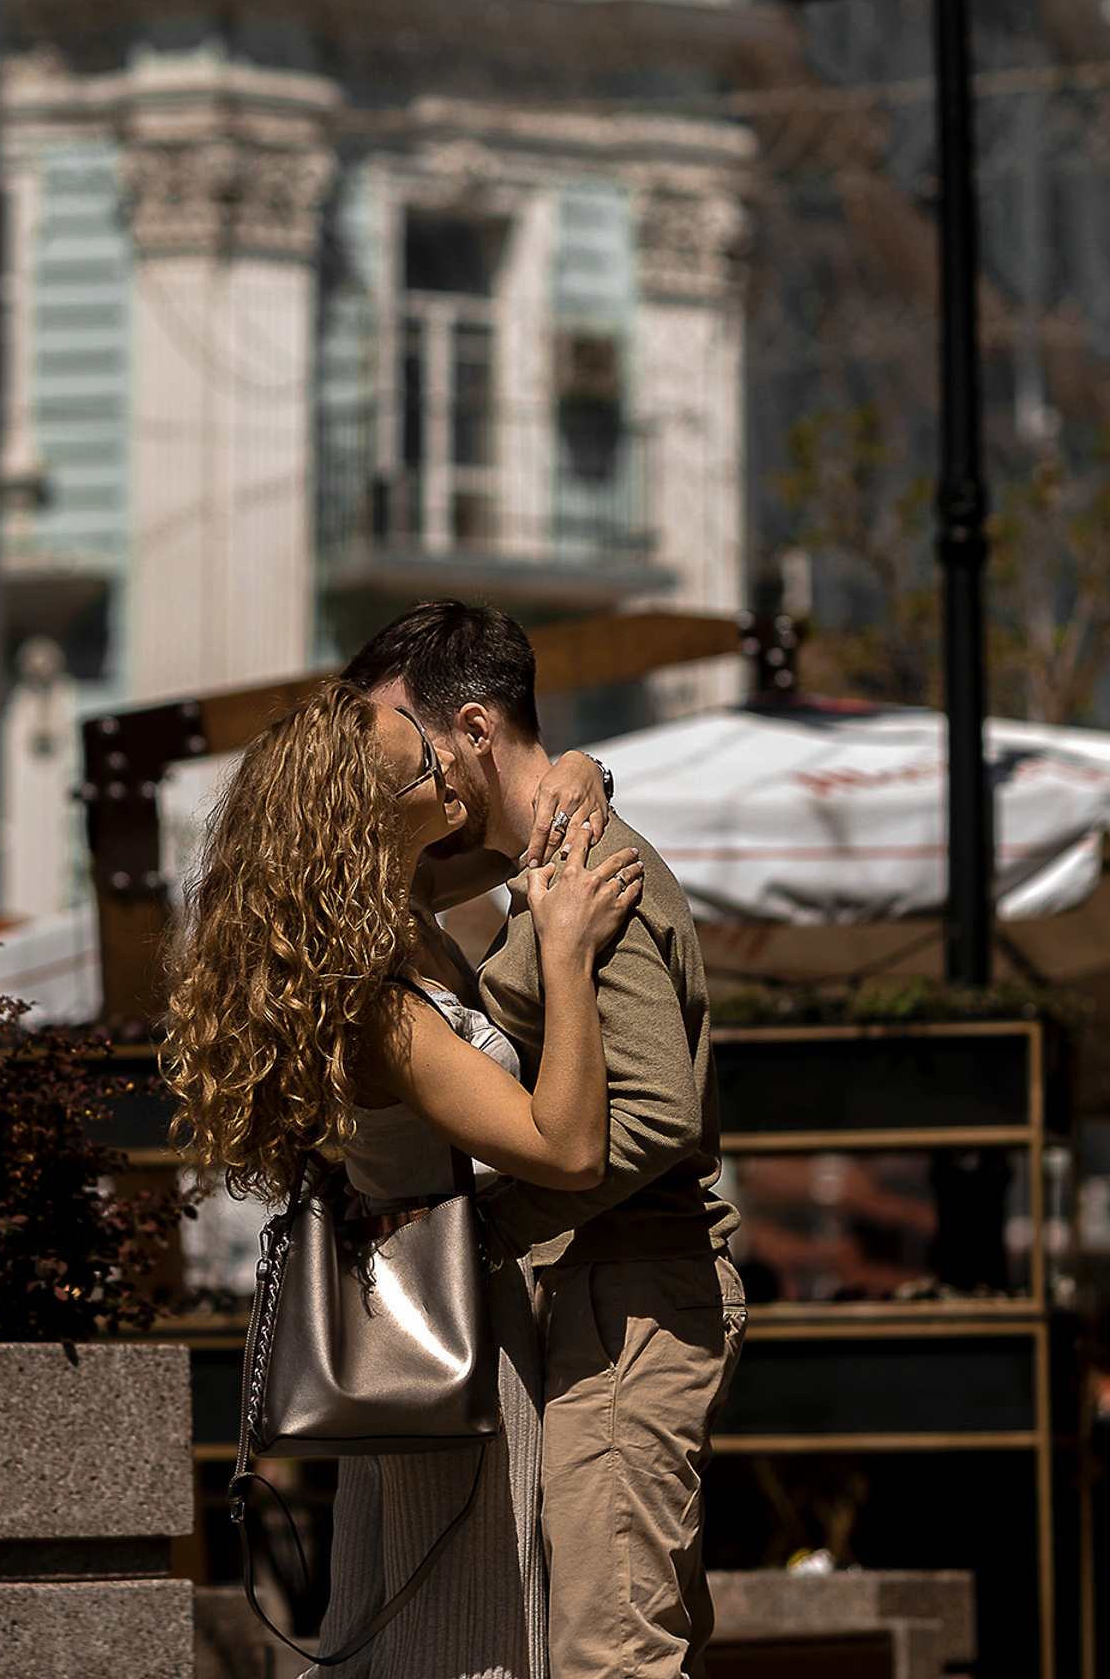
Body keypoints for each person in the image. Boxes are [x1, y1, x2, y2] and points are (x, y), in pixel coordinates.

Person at [164, 678, 644, 1679]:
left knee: (408, 1628)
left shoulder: (400, 918)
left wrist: (581, 770)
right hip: (452, 1344)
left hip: (412, 1334)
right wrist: (564, 953)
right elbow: (564, 1148)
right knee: (464, 1649)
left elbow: (530, 809)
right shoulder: (374, 1009)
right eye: (420, 755)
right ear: (370, 815)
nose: (444, 758)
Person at [343, 602, 745, 1679]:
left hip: (628, 1297)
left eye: (403, 745)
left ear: (471, 732)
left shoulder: (589, 873)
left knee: (609, 1656)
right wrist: (584, 768)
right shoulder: (538, 859)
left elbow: (656, 1112)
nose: (391, 777)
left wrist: (490, 1228)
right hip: (603, 1295)